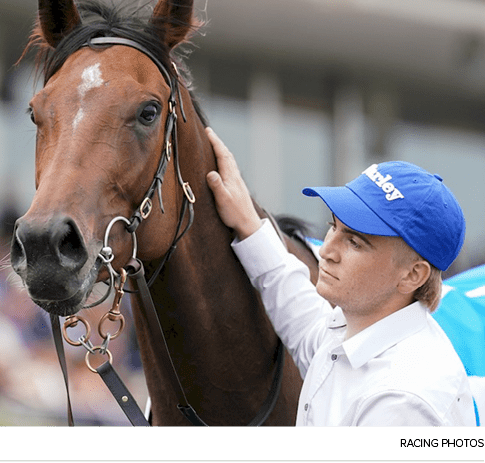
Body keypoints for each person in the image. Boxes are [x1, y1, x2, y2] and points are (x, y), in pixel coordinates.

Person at [204, 127, 476, 426]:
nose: (327, 251)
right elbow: (300, 314)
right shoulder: (356, 332)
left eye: (355, 242)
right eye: (333, 226)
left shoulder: (403, 399)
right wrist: (247, 222)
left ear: (413, 275)